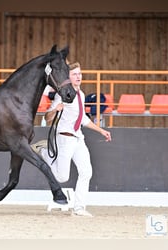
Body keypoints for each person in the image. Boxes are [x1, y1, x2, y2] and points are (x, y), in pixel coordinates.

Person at [32, 62, 111, 217]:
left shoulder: (81, 95)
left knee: (86, 172)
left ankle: (79, 208)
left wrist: (101, 130)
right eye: (74, 74)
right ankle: (44, 150)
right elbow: (48, 118)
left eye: (79, 73)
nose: (78, 76)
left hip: (78, 139)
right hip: (64, 139)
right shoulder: (62, 94)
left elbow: (83, 120)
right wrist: (56, 109)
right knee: (62, 178)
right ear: (68, 78)